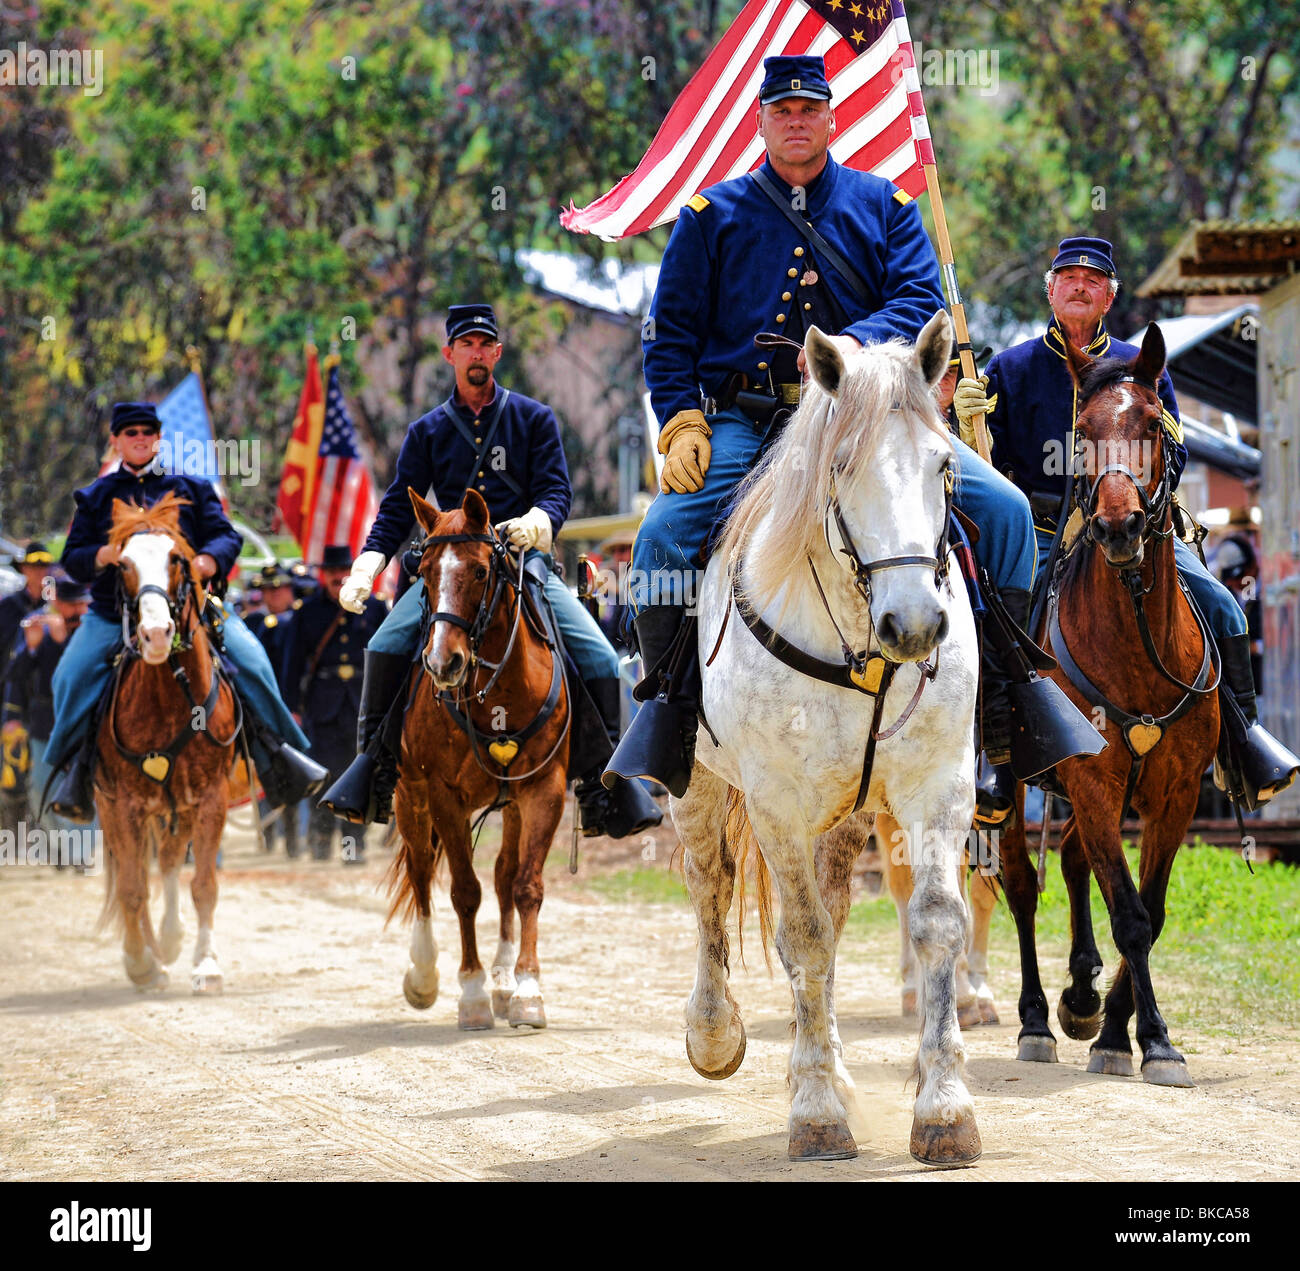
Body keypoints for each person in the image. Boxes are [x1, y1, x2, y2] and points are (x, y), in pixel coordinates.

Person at [606, 53, 1082, 812]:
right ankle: (670, 713)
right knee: (663, 538)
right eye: (782, 112)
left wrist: (857, 342)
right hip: (753, 421)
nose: (796, 123)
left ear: (832, 118)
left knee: (1007, 514)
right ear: (761, 122)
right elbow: (669, 337)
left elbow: (922, 296)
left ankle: (1003, 708)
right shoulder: (709, 218)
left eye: (809, 111)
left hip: (874, 417)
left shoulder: (886, 206)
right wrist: (682, 419)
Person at [954, 236, 1300, 807]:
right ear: (1051, 289)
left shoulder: (1142, 368)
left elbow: (1176, 453)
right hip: (1038, 531)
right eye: (1068, 276)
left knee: (1222, 605)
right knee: (996, 623)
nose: (1079, 286)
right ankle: (993, 759)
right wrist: (963, 418)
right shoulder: (1007, 368)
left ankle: (1242, 742)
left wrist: (1131, 492)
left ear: (1108, 298)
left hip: (1134, 525)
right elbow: (973, 464)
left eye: (1093, 280)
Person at [319, 304, 662, 840]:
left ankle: (602, 786)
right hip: (450, 568)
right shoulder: (427, 431)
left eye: (485, 345)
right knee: (384, 645)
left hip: (522, 564)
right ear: (449, 354)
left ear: (497, 354)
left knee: (595, 652)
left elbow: (557, 490)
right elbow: (394, 508)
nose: (476, 354)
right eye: (466, 345)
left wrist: (537, 520)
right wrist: (368, 563)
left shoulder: (533, 418)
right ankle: (375, 770)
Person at [42, 402, 327, 821]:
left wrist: (209, 560)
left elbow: (226, 537)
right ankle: (76, 773)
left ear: (158, 437)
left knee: (253, 664)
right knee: (70, 677)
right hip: (114, 615)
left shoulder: (191, 487)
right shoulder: (96, 496)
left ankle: (279, 757)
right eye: (130, 432)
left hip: (193, 610)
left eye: (147, 431)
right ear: (116, 441)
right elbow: (73, 558)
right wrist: (102, 554)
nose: (140, 438)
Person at [283, 545, 387, 862]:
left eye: (344, 571)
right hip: (321, 706)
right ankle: (321, 838)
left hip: (362, 704)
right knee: (324, 775)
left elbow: (386, 658)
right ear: (321, 575)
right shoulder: (307, 611)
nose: (338, 577)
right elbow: (293, 663)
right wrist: (291, 708)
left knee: (357, 777)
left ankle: (352, 847)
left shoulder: (374, 608)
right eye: (332, 572)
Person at [2, 572, 97, 866]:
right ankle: (63, 847)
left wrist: (62, 642)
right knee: (40, 790)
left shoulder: (93, 626)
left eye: (81, 603)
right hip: (44, 721)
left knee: (82, 787)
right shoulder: (37, 623)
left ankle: (81, 853)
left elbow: (87, 671)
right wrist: (31, 647)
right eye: (72, 604)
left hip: (84, 720)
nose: (79, 609)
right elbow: (14, 676)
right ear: (57, 601)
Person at [249, 562, 304, 856]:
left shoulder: (300, 620)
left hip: (295, 712)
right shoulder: (254, 624)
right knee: (265, 775)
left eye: (278, 589)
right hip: (263, 712)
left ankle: (296, 842)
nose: (272, 595)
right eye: (267, 590)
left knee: (296, 774)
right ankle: (268, 838)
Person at [0, 542, 54, 834]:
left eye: (44, 566)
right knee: (11, 768)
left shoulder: (55, 607)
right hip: (9, 694)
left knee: (41, 766)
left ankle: (40, 832)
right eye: (34, 566)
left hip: (42, 698)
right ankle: (11, 830)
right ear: (24, 570)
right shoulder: (8, 607)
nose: (39, 572)